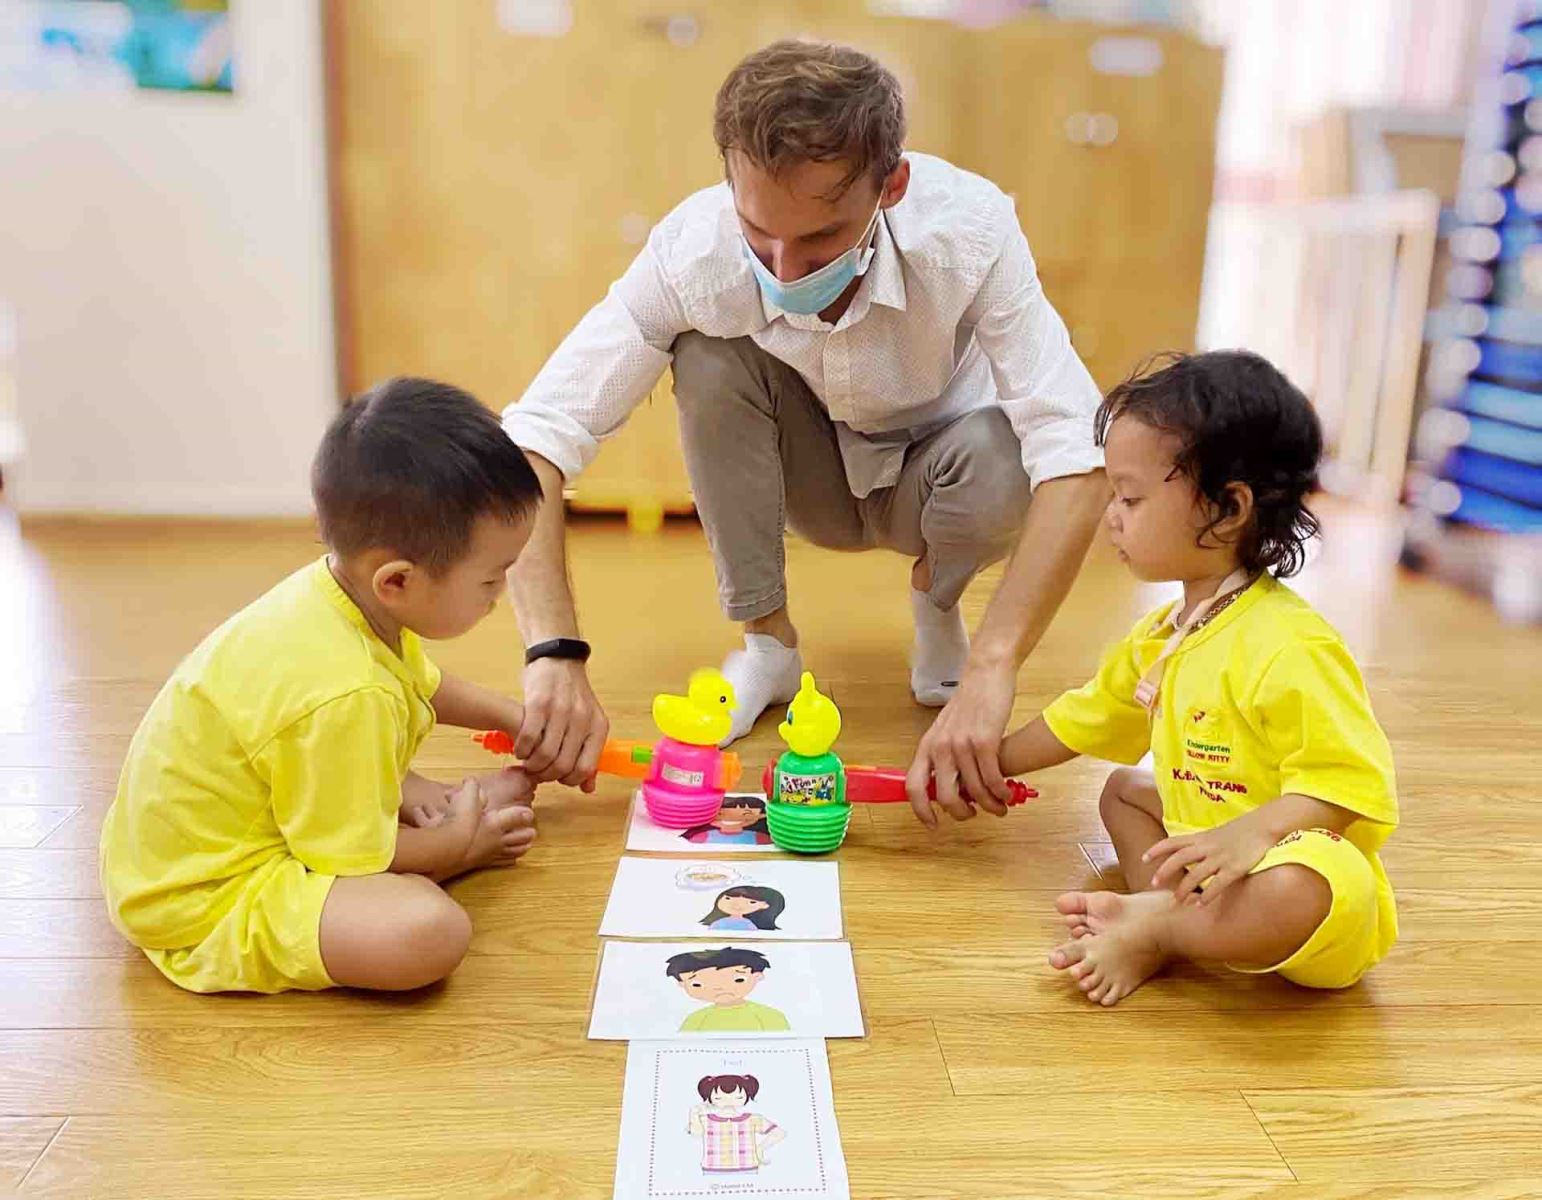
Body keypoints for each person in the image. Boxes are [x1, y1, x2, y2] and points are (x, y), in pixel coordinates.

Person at [500, 39, 1108, 818]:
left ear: (892, 186)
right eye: (759, 233)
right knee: (708, 355)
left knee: (1011, 452)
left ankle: (937, 599)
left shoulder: (972, 232)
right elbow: (536, 435)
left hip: (941, 478)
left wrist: (994, 668)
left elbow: (1077, 453)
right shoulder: (692, 251)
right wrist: (552, 653)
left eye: (819, 239)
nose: (784, 271)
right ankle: (768, 646)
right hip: (809, 477)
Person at [930, 352, 1398, 1006]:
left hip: (1294, 885)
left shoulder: (1293, 645)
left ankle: (1160, 929)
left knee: (1310, 881)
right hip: (1206, 862)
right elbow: (1086, 719)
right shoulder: (1163, 636)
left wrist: (1256, 833)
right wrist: (983, 762)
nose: (1112, 515)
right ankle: (1168, 917)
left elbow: (1352, 786)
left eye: (1131, 498)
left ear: (1227, 510)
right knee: (1123, 793)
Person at [99, 379, 545, 994]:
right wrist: (457, 846)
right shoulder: (345, 691)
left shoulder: (338, 594)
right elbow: (349, 858)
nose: (499, 596)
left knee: (439, 784)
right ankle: (439, 827)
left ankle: (429, 812)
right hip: (203, 897)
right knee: (429, 931)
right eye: (492, 580)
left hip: (193, 837)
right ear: (396, 581)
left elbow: (424, 684)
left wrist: (515, 718)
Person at [667, 947, 791, 1031]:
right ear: (682, 984)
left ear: (757, 976)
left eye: (739, 979)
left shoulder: (769, 1016)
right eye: (697, 984)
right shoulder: (696, 1019)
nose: (719, 988)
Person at [688, 1075, 786, 1173]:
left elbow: (779, 1133)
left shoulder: (753, 1119)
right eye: (718, 1098)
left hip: (748, 1169)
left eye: (738, 1097)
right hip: (712, 1170)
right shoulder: (705, 1120)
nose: (728, 1100)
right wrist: (694, 1115)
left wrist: (760, 1148)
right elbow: (696, 1134)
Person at [700, 885, 786, 931]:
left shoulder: (748, 924)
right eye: (728, 898)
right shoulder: (719, 922)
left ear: (765, 906)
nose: (736, 905)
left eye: (752, 902)